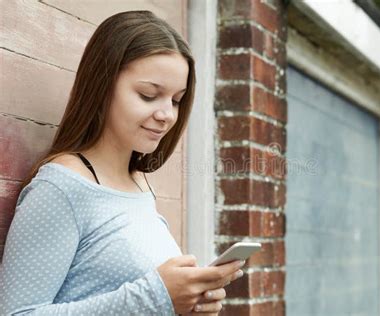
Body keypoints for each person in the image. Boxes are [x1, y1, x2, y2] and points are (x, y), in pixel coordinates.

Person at [0, 10, 244, 315]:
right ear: (102, 86)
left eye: (176, 100)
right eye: (148, 95)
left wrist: (186, 304)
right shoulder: (61, 188)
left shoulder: (138, 183)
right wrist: (157, 297)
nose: (166, 114)